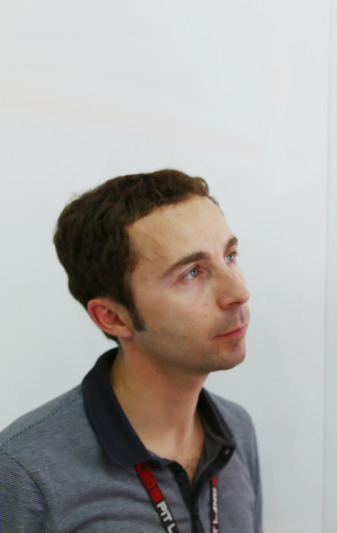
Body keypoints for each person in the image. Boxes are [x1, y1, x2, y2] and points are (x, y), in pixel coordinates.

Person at [0, 170, 262, 532]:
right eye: (191, 273)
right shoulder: (24, 472)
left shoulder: (236, 428)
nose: (238, 292)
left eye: (230, 256)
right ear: (112, 317)